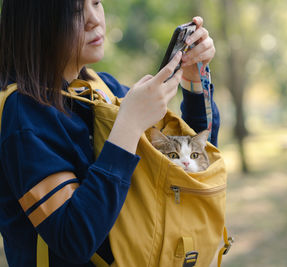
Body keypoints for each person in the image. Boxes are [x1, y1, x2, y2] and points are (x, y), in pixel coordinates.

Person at [0, 0, 219, 266]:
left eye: (96, 2)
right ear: (34, 22)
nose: (95, 19)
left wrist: (194, 80)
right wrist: (128, 124)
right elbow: (73, 239)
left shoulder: (104, 89)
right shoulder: (23, 113)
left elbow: (192, 166)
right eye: (76, 11)